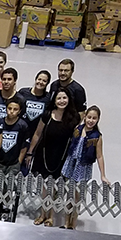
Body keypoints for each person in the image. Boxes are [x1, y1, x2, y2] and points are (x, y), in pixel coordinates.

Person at [26, 89, 81, 227]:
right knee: (45, 189)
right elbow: (37, 134)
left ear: (69, 99)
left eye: (64, 98)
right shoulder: (47, 115)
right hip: (44, 155)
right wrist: (30, 152)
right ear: (54, 101)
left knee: (58, 188)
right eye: (58, 98)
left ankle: (53, 217)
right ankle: (44, 214)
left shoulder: (74, 118)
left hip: (62, 157)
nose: (62, 101)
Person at [60, 106, 108, 229]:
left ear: (98, 120)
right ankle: (66, 222)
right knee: (69, 195)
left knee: (77, 197)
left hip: (83, 167)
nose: (91, 120)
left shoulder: (97, 136)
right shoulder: (77, 129)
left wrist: (103, 175)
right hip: (71, 164)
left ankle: (73, 223)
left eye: (94, 118)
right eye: (89, 117)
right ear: (85, 116)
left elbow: (100, 156)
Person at [0, 97, 29, 177]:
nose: (12, 111)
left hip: (13, 163)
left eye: (15, 109)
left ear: (19, 111)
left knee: (10, 187)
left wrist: (19, 162)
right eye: (9, 108)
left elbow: (24, 146)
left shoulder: (23, 126)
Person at [18, 70, 51, 138]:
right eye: (39, 79)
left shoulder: (48, 98)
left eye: (44, 81)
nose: (41, 82)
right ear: (35, 79)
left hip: (36, 134)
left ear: (47, 83)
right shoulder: (23, 92)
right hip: (21, 131)